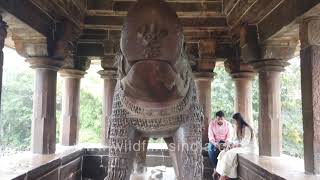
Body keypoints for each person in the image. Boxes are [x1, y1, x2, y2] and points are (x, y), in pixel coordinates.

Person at [215, 113, 256, 180]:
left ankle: (226, 174)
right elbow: (236, 140)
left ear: (238, 120)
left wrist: (235, 145)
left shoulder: (247, 128)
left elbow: (245, 142)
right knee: (223, 152)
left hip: (248, 148)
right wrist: (231, 144)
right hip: (241, 147)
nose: (234, 122)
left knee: (229, 153)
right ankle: (221, 172)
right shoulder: (238, 128)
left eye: (234, 121)